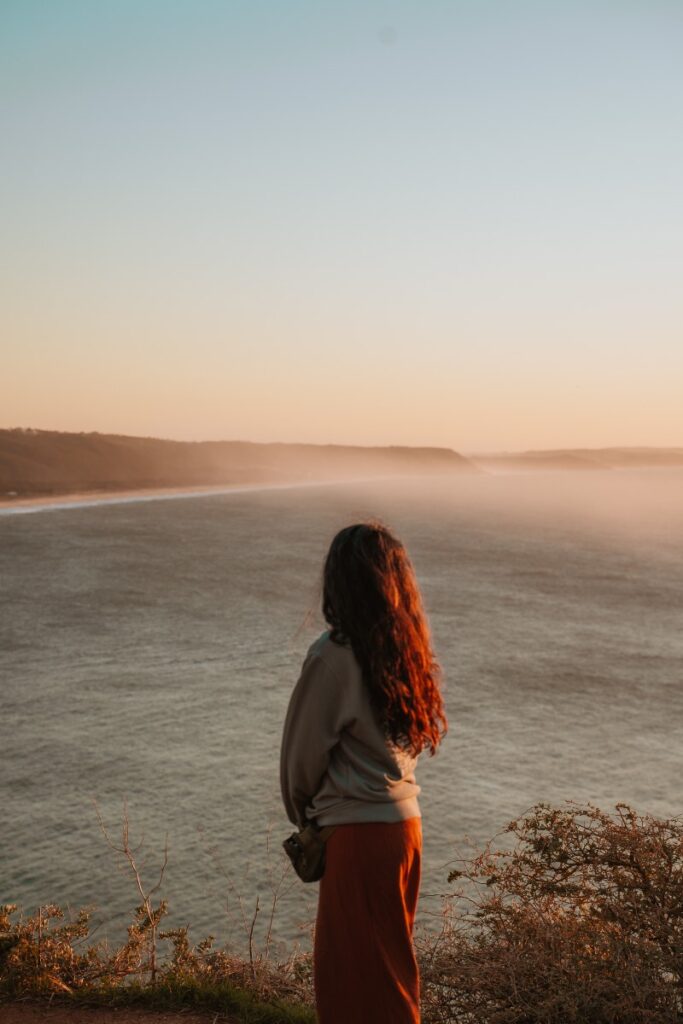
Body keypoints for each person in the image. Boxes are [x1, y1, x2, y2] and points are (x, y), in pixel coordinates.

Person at [280, 521, 447, 1024]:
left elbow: (300, 762)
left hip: (358, 837)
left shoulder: (333, 657)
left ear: (340, 582)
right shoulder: (406, 654)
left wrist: (306, 817)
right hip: (406, 830)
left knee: (351, 986)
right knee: (390, 976)